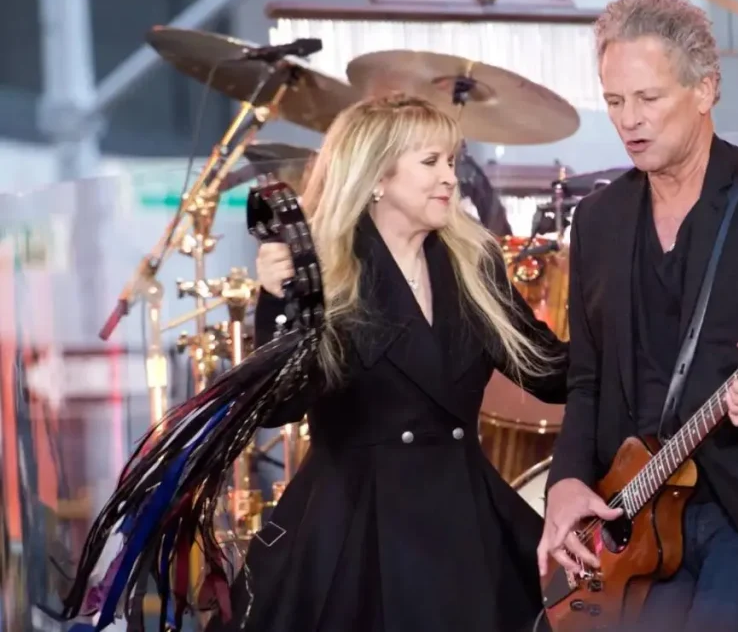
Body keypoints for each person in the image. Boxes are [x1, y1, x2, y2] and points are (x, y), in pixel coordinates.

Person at [60, 95, 568, 632]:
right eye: (431, 162)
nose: (450, 178)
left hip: (465, 524)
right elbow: (282, 406)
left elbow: (548, 371)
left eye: (451, 161)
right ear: (377, 175)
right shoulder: (325, 270)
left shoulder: (473, 264)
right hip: (355, 531)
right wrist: (278, 300)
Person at [535, 0, 738, 632]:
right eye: (615, 101)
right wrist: (567, 481)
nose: (630, 120)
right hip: (642, 510)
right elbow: (586, 378)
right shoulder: (597, 220)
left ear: (706, 89)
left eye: (649, 99)